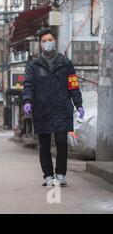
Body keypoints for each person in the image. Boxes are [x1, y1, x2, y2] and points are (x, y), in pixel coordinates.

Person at [23, 28, 84, 187]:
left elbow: (73, 85)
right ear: (40, 44)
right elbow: (28, 84)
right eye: (44, 41)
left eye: (49, 40)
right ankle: (48, 175)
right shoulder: (34, 65)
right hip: (42, 109)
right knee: (44, 144)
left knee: (62, 141)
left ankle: (61, 174)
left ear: (54, 41)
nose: (47, 43)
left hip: (61, 108)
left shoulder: (66, 63)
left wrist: (79, 104)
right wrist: (27, 100)